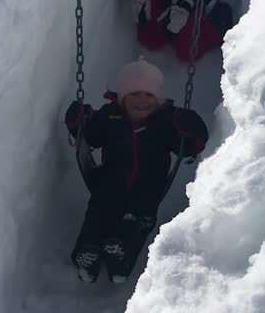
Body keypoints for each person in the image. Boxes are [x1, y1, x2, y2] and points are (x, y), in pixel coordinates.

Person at [65, 57, 209, 283]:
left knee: (139, 217)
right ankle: (87, 253)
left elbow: (191, 147)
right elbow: (90, 136)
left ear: (158, 99)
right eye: (135, 94)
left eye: (149, 95)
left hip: (149, 183)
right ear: (122, 98)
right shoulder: (109, 116)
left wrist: (193, 130)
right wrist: (78, 122)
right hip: (110, 178)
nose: (142, 101)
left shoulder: (167, 120)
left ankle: (121, 256)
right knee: (98, 211)